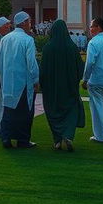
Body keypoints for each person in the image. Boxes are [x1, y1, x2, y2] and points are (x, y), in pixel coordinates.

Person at [39, 18, 85, 151]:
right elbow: (80, 68)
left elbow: (43, 69)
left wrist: (42, 84)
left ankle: (57, 140)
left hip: (51, 90)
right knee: (70, 110)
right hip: (69, 88)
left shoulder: (48, 48)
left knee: (53, 111)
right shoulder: (72, 47)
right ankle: (68, 136)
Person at [0, 11, 39, 149]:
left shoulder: (5, 39)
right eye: (29, 21)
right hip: (23, 83)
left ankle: (6, 138)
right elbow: (31, 63)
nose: (30, 24)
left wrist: (3, 79)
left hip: (8, 82)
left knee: (9, 111)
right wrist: (35, 79)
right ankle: (23, 140)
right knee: (24, 112)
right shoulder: (28, 40)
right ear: (24, 23)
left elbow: (0, 63)